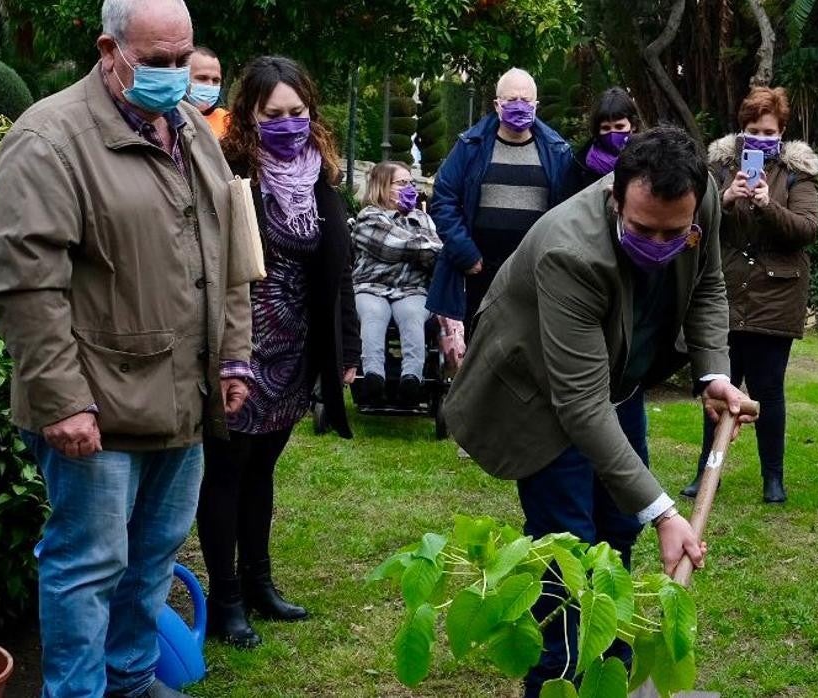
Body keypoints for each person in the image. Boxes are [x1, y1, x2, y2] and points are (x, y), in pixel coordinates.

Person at [0, 0, 252, 695]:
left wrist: (233, 354)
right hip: (94, 410)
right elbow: (24, 285)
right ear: (109, 49)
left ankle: (131, 680)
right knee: (89, 563)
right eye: (157, 62)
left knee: (155, 556)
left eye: (182, 59)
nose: (175, 76)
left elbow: (226, 250)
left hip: (181, 398)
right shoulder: (50, 138)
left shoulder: (189, 125)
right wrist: (63, 400)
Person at [441, 127, 750, 698]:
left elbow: (707, 282)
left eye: (673, 232)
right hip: (538, 394)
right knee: (568, 552)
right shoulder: (571, 250)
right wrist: (665, 513)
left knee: (613, 536)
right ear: (615, 198)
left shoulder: (699, 194)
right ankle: (556, 679)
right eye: (642, 229)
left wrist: (713, 374)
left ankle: (611, 674)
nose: (659, 242)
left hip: (616, 380)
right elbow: (580, 406)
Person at [195, 55, 360, 649]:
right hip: (240, 350)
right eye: (273, 114)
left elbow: (339, 272)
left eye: (297, 112)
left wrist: (347, 346)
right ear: (248, 116)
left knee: (262, 469)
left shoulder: (323, 178)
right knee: (227, 471)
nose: (288, 123)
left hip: (294, 351)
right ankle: (226, 597)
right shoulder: (231, 172)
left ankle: (261, 584)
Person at [679, 86, 818, 504]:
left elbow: (808, 229)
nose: (760, 137)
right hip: (724, 292)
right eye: (752, 130)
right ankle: (708, 472)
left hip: (775, 298)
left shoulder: (798, 173)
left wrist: (766, 204)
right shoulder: (718, 169)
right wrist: (723, 199)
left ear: (782, 132)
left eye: (769, 131)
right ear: (741, 130)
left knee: (768, 391)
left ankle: (772, 478)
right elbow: (692, 221)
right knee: (719, 388)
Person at [425, 67, 578, 338]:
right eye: (510, 100)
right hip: (480, 269)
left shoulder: (557, 151)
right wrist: (464, 252)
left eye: (525, 100)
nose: (518, 106)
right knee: (480, 348)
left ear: (536, 105)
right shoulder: (471, 145)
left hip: (533, 271)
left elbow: (570, 208)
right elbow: (444, 198)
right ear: (497, 105)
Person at [350, 160, 442, 405]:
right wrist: (421, 248)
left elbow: (436, 256)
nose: (410, 187)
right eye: (402, 183)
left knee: (413, 316)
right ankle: (373, 377)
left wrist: (422, 250)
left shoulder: (422, 218)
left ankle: (412, 379)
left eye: (411, 182)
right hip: (371, 286)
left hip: (411, 289)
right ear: (382, 187)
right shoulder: (367, 217)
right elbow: (389, 246)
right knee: (373, 315)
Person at [576, 86, 640, 185]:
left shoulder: (650, 159)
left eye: (619, 127)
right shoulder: (581, 166)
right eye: (606, 128)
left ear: (633, 126)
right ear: (598, 130)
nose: (612, 134)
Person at [186, 45, 228, 137]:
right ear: (184, 79)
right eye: (202, 78)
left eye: (216, 80)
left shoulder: (227, 121)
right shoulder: (166, 119)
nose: (210, 85)